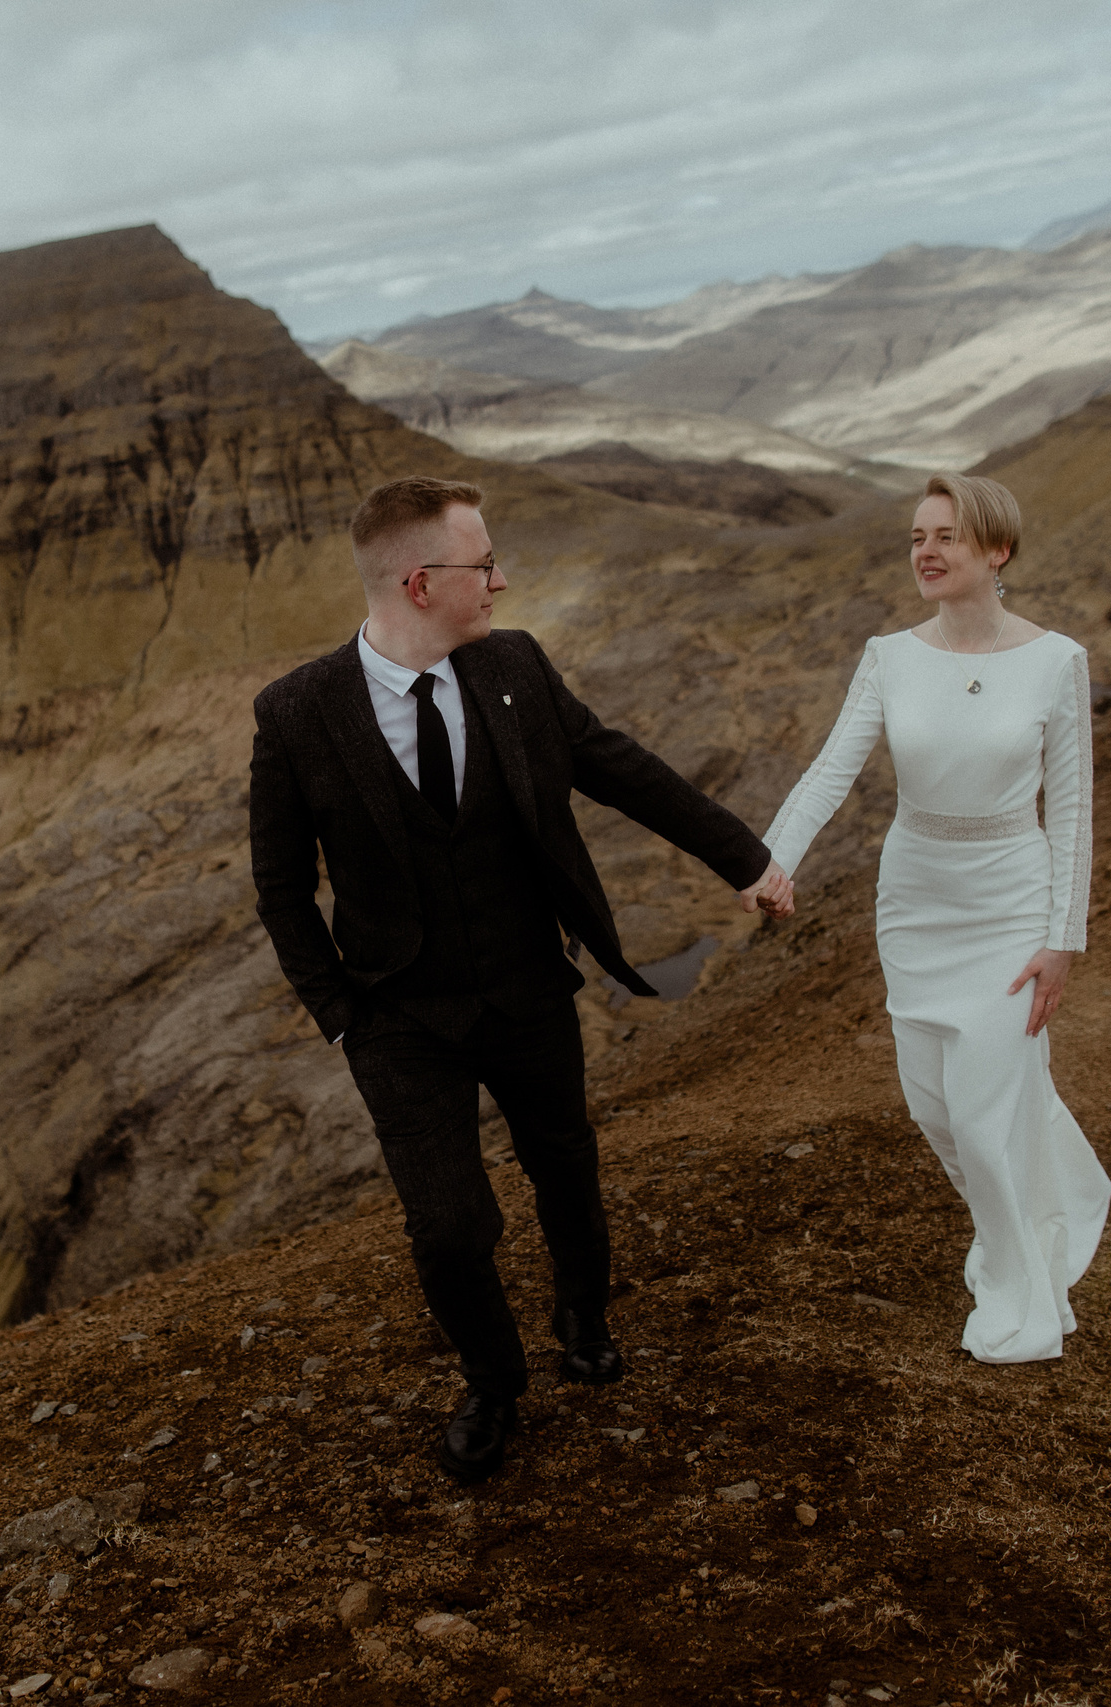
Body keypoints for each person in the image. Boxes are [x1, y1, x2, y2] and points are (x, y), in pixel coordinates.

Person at [250, 474, 795, 1482]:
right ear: (419, 583)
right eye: (482, 564)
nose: (499, 580)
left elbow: (624, 768)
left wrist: (746, 860)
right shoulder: (295, 713)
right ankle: (493, 1383)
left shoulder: (516, 670)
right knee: (450, 1226)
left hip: (527, 989)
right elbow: (281, 891)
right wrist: (341, 1019)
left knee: (566, 1169)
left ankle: (582, 1314)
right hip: (397, 1018)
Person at [762, 472, 1111, 1364]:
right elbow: (831, 770)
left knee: (986, 1103)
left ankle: (1022, 1283)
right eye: (917, 535)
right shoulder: (890, 654)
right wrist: (772, 858)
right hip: (915, 904)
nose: (925, 550)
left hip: (1009, 903)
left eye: (947, 535)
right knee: (937, 1109)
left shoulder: (1057, 660)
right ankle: (1013, 1229)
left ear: (997, 550)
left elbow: (1071, 812)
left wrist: (1061, 940)